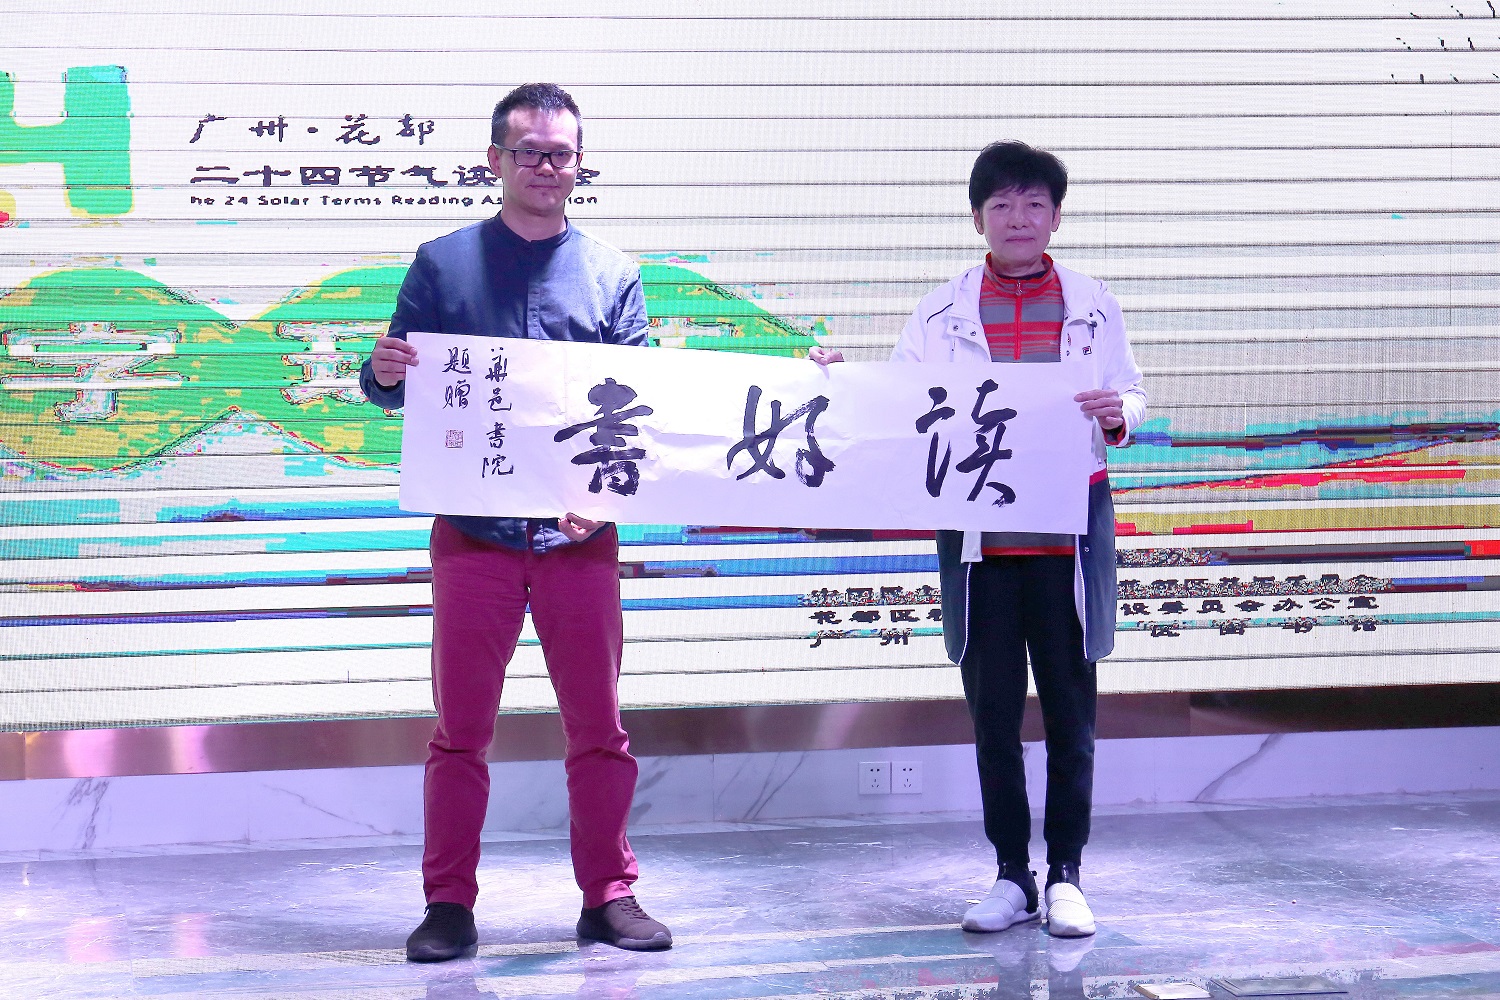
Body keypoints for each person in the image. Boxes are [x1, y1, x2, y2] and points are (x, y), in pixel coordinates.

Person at [359, 82, 672, 961]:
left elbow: (640, 402)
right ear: (495, 160)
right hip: (475, 537)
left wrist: (602, 504)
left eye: (560, 153)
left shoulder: (613, 274)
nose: (545, 166)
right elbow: (393, 387)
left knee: (599, 731)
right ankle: (447, 905)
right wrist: (383, 371)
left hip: (579, 539)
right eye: (528, 151)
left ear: (580, 165)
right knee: (460, 733)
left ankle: (608, 896)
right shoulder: (442, 263)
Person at [812, 141, 1146, 939]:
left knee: (1071, 720)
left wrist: (1119, 415)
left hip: (1067, 545)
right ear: (977, 219)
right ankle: (1011, 876)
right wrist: (839, 377)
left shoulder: (1093, 303)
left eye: (1034, 204)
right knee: (993, 722)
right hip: (982, 550)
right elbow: (900, 404)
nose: (1018, 218)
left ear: (1056, 217)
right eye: (1002, 205)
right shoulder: (940, 312)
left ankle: (1066, 874)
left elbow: (1131, 392)